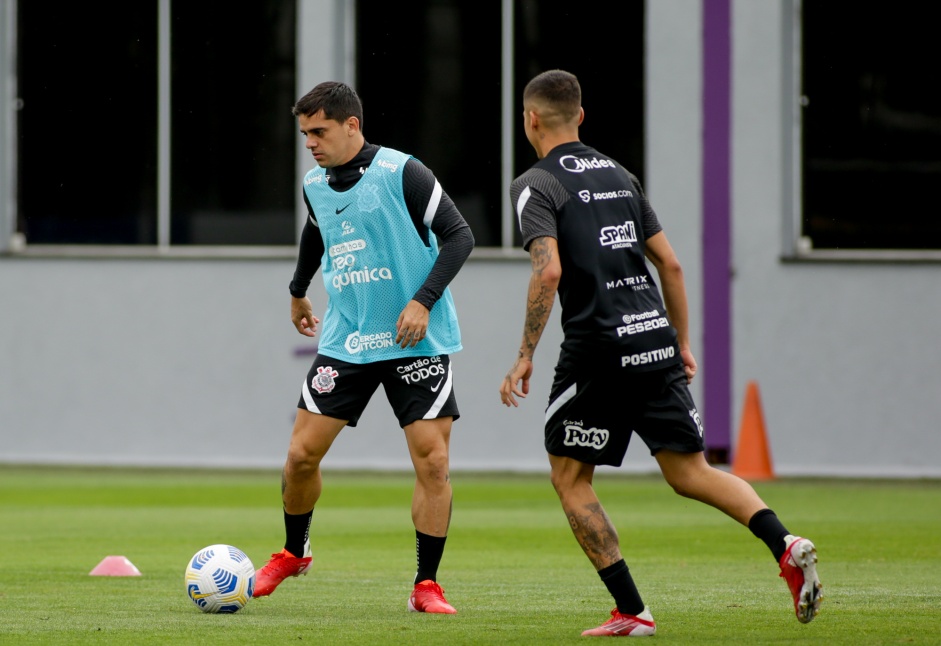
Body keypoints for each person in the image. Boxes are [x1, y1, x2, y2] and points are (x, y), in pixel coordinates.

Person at [499, 69, 822, 637]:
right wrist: (682, 342)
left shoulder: (535, 183)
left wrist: (525, 353)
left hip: (597, 350)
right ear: (581, 115)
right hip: (653, 340)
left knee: (571, 479)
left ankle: (632, 610)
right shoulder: (621, 176)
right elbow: (669, 264)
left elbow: (547, 268)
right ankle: (784, 542)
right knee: (691, 471)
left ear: (529, 120)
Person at [254, 81, 474, 615]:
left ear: (352, 125)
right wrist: (297, 289)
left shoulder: (404, 172)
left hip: (413, 340)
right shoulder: (315, 184)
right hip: (348, 339)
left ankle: (426, 585)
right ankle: (294, 550)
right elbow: (317, 231)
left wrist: (422, 301)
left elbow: (460, 235)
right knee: (301, 456)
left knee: (433, 462)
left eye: (320, 131)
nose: (310, 142)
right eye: (305, 133)